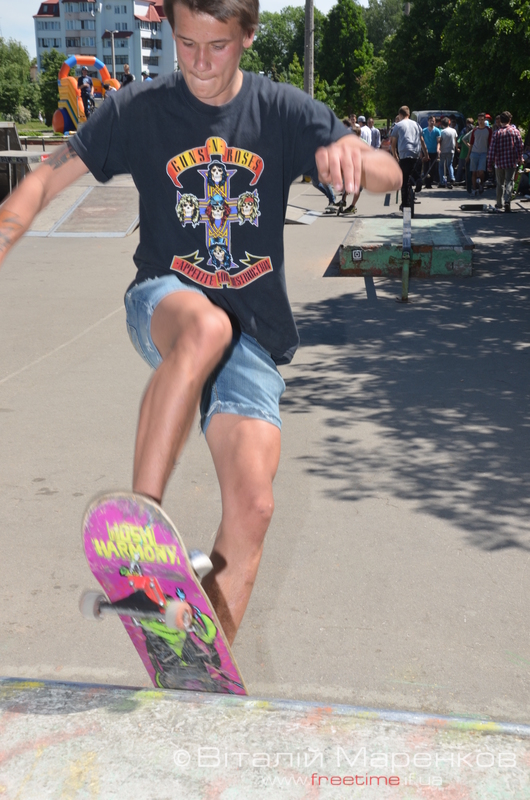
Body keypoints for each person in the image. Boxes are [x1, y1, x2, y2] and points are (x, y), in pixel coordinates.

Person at [0, 0, 401, 646]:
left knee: (254, 506)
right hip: (165, 299)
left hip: (255, 338)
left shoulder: (281, 109)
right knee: (205, 327)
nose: (200, 64)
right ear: (171, 31)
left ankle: (200, 666)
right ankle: (140, 535)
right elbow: (47, 177)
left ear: (248, 35)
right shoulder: (139, 109)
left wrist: (353, 158)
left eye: (218, 46)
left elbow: (389, 172)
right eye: (186, 44)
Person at [390, 105, 428, 209]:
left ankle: (405, 204)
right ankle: (418, 180)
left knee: (405, 180)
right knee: (415, 171)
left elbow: (393, 143)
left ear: (400, 115)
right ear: (409, 114)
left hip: (404, 154)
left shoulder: (398, 125)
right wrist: (426, 154)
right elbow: (422, 140)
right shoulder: (416, 124)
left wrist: (395, 155)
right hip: (416, 153)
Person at [487, 111, 523, 212]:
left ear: (500, 120)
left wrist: (489, 164)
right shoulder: (515, 131)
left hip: (499, 162)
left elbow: (492, 149)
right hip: (511, 161)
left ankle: (499, 203)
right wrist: (520, 158)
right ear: (510, 120)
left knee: (500, 184)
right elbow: (520, 146)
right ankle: (507, 201)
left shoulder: (497, 133)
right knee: (509, 182)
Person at [466, 112, 492, 196]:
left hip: (483, 153)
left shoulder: (488, 130)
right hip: (474, 153)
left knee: (481, 171)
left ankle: (481, 184)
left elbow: (490, 143)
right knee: (473, 172)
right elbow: (471, 143)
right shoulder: (475, 130)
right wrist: (468, 155)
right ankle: (474, 189)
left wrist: (489, 154)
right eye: (479, 120)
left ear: (485, 120)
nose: (480, 121)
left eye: (482, 120)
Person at [421, 115, 441, 187]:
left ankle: (431, 181)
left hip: (434, 151)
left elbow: (438, 142)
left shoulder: (437, 131)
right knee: (426, 167)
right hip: (426, 151)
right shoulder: (424, 131)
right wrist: (421, 151)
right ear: (428, 122)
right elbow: (421, 141)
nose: (432, 122)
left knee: (433, 168)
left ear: (435, 122)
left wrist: (438, 149)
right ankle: (427, 183)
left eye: (433, 121)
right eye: (430, 121)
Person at [438, 117, 457, 188]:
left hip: (443, 150)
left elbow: (440, 141)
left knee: (441, 166)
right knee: (450, 164)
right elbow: (455, 140)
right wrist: (456, 148)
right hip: (451, 150)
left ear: (442, 124)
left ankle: (442, 181)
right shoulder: (454, 131)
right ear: (449, 122)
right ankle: (452, 177)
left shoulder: (442, 132)